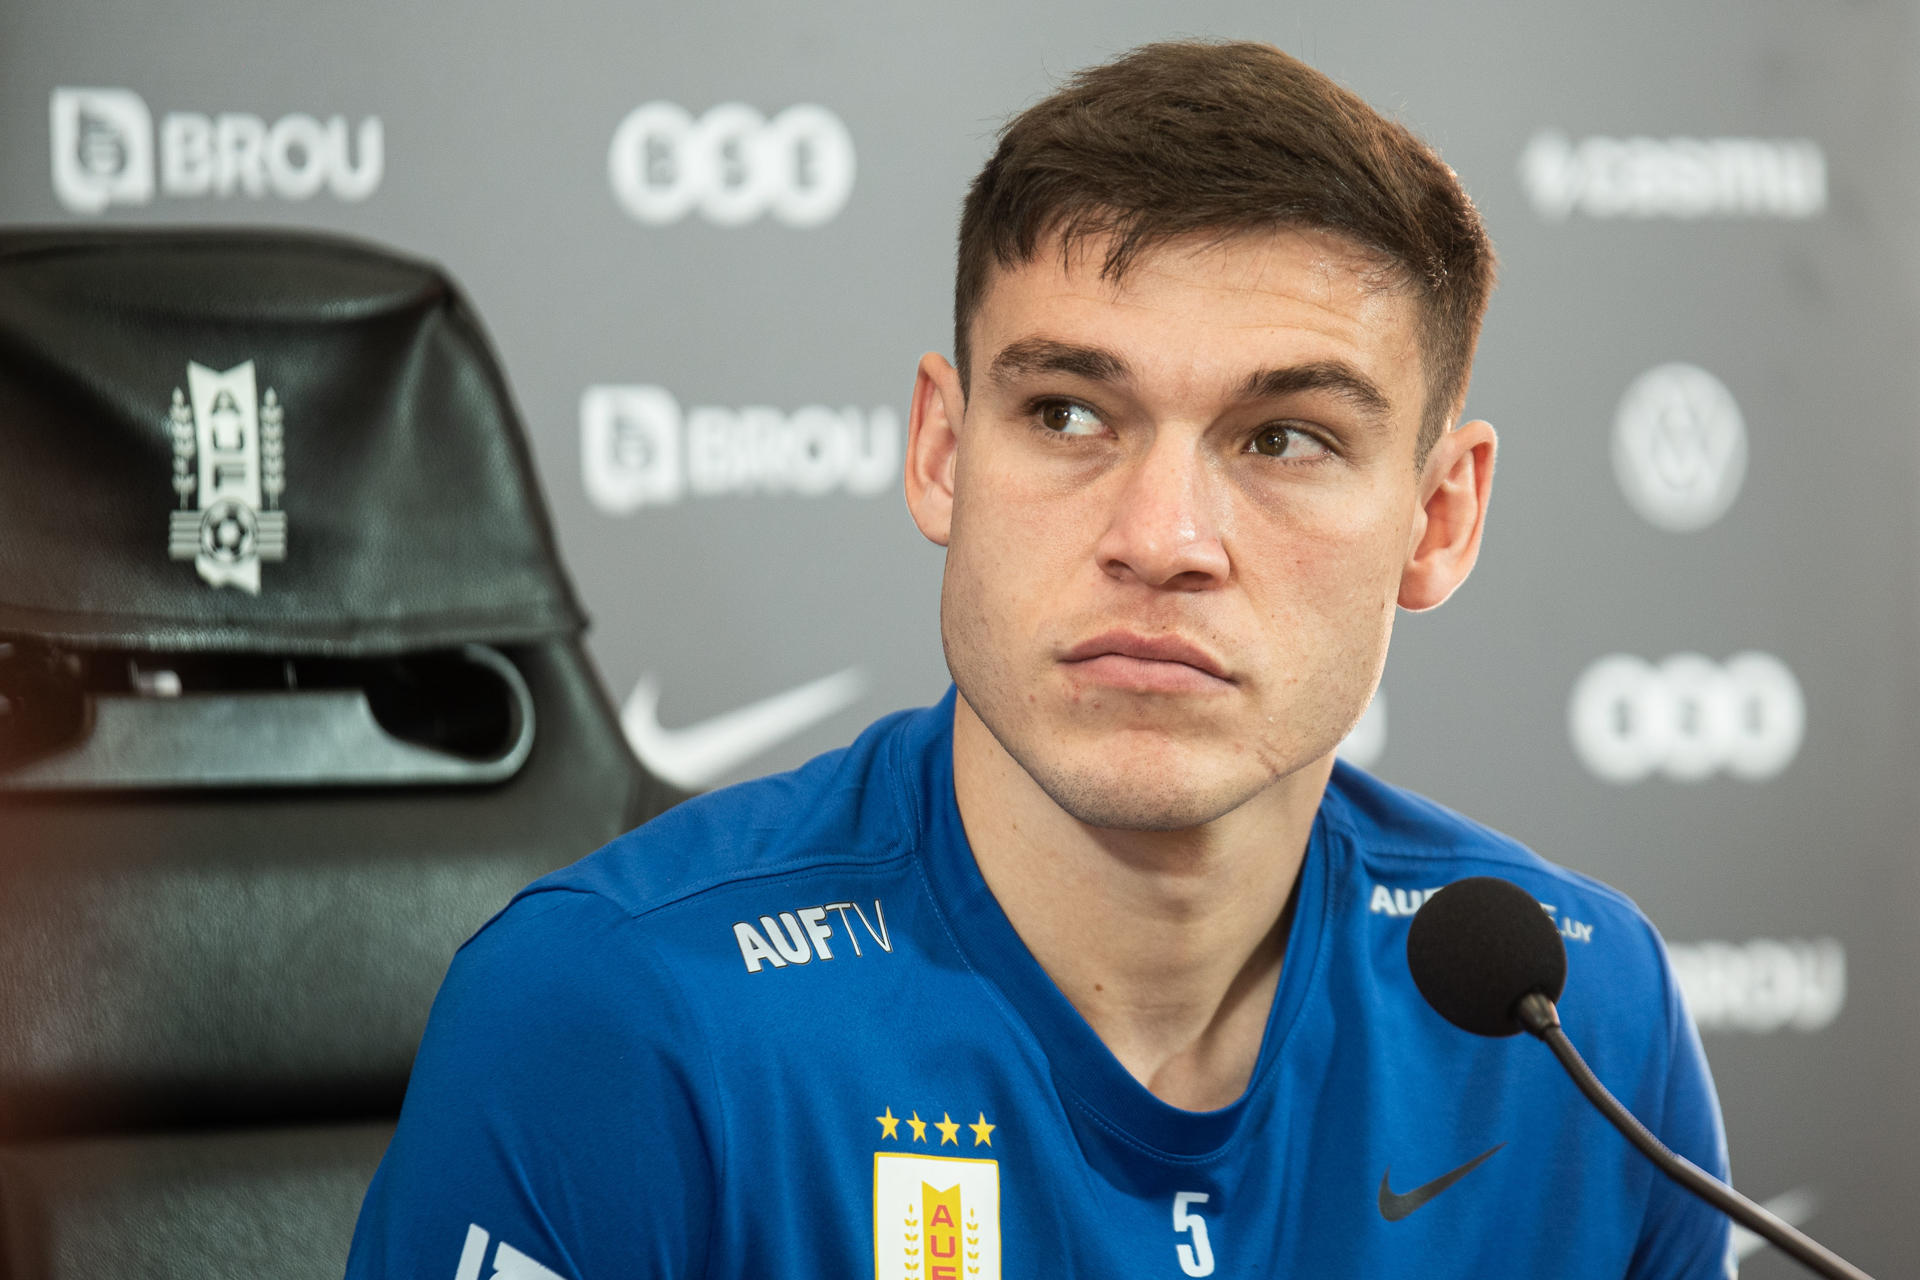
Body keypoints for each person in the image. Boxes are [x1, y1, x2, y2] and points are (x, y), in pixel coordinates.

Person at [346, 40, 1731, 1279]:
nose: (1164, 539)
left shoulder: (1580, 1022)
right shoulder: (613, 1021)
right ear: (945, 454)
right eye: (1069, 414)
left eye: (1285, 438)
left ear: (1439, 521)